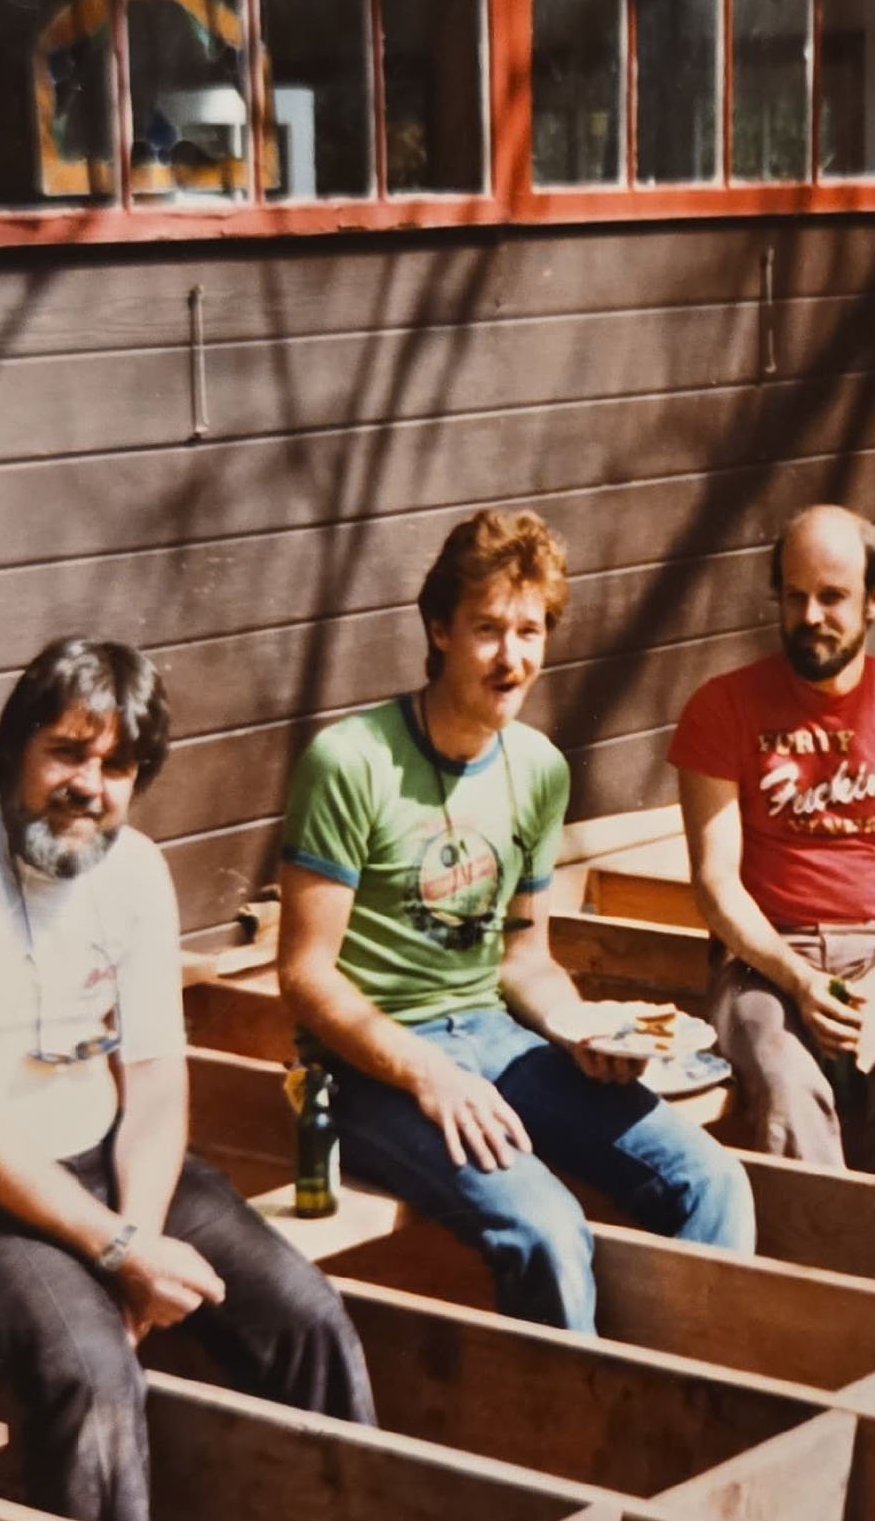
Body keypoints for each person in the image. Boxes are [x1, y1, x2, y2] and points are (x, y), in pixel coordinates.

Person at [0, 638, 374, 1521]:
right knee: (91, 1374)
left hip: (99, 1167)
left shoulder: (133, 871)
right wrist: (123, 1253)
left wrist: (136, 1238)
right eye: (68, 752)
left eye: (118, 764)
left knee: (308, 1320)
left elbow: (158, 1081)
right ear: (15, 750)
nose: (91, 784)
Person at [275, 510, 755, 1333]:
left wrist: (579, 1028)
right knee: (546, 1229)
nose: (513, 658)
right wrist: (427, 1073)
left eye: (530, 630)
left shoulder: (538, 769)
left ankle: (691, 1401)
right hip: (371, 1068)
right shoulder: (351, 761)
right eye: (488, 629)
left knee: (713, 1181)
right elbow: (304, 975)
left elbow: (523, 956)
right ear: (438, 630)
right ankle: (573, 1442)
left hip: (496, 1038)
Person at [669, 505, 875, 1186]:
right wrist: (801, 981)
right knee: (790, 1098)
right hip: (763, 960)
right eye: (796, 595)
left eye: (833, 597)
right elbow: (716, 885)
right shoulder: (722, 707)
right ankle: (815, 1285)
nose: (812, 615)